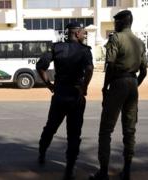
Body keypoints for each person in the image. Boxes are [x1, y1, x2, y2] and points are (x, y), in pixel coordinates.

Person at [90, 10, 147, 180]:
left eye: (116, 22)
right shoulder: (139, 42)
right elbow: (144, 71)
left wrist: (105, 87)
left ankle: (103, 172)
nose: (114, 24)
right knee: (129, 130)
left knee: (105, 130)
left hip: (118, 83)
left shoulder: (115, 38)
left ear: (123, 22)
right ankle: (127, 171)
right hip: (132, 85)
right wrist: (135, 84)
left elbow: (111, 65)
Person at [36, 22, 94, 180]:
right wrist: (85, 87)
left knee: (51, 127)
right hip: (76, 95)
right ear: (76, 34)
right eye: (83, 32)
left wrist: (49, 85)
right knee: (74, 134)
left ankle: (42, 153)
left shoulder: (56, 48)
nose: (84, 35)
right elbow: (89, 69)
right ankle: (69, 169)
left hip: (60, 93)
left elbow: (40, 66)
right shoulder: (84, 50)